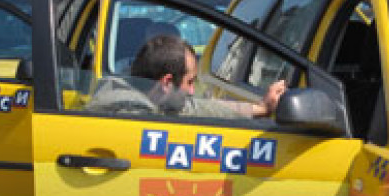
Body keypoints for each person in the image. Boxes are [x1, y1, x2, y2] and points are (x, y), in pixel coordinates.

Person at [91, 34, 286, 118]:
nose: (193, 91)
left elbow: (200, 108)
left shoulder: (155, 101)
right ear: (167, 82)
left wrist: (261, 108)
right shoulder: (127, 118)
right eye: (190, 82)